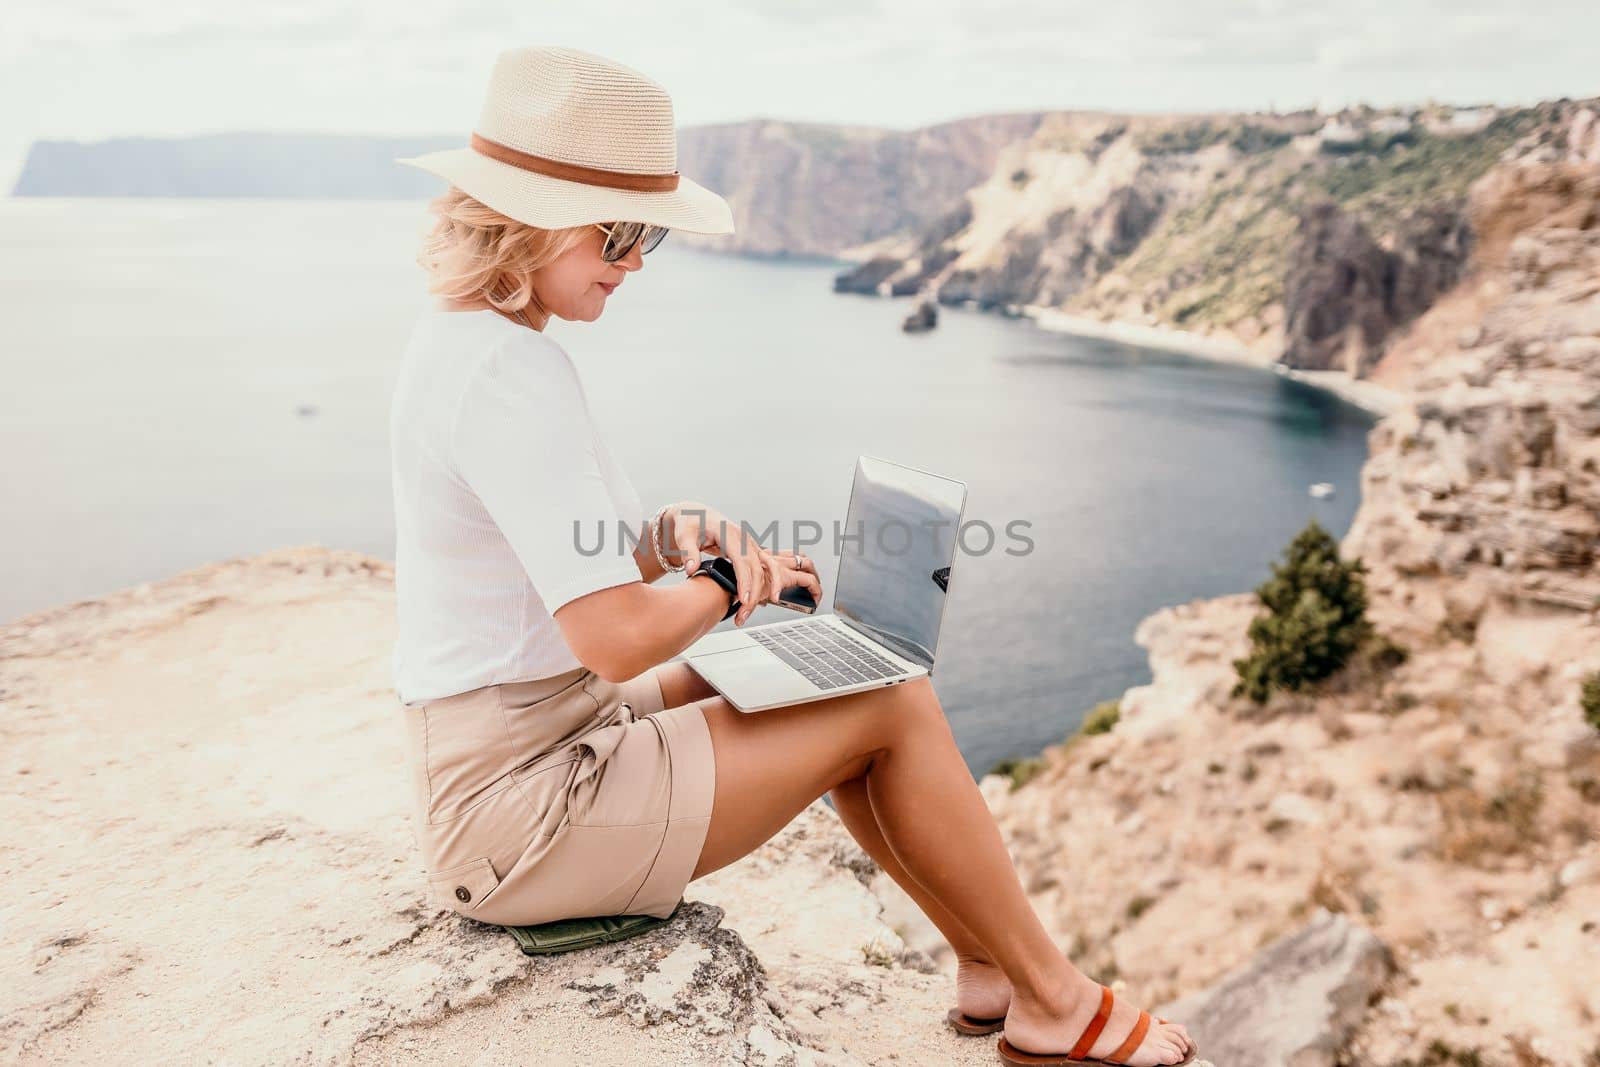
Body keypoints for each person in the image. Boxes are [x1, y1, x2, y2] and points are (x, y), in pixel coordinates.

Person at [389, 45, 1196, 1067]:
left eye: (650, 237)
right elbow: (608, 635)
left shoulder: (469, 343)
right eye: (623, 231)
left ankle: (989, 966)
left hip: (523, 746)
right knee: (886, 699)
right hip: (527, 811)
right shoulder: (512, 373)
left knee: (833, 672)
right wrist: (726, 586)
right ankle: (1056, 998)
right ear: (537, 213)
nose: (636, 260)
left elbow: (558, 562)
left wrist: (676, 538)